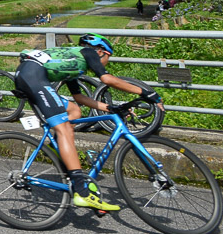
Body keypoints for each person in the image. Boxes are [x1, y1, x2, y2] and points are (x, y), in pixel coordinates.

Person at [15, 33, 164, 212]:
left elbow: (79, 97)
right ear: (101, 52)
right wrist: (146, 93)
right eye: (109, 57)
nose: (107, 61)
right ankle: (81, 190)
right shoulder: (88, 52)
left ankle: (59, 147)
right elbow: (107, 79)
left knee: (74, 110)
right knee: (64, 129)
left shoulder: (73, 62)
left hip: (30, 75)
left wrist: (110, 108)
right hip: (33, 77)